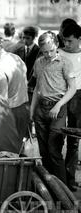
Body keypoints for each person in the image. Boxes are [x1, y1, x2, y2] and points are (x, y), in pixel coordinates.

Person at [30, 31, 76, 183]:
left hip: (58, 109)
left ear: (56, 45)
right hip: (41, 110)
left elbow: (72, 89)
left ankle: (62, 191)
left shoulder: (65, 63)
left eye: (51, 50)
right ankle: (49, 187)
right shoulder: (38, 63)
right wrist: (32, 112)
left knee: (54, 149)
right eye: (44, 52)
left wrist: (58, 105)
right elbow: (37, 88)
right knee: (43, 151)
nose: (48, 54)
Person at [58, 23, 81, 191]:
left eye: (70, 41)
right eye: (64, 40)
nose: (67, 44)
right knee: (57, 136)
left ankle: (70, 179)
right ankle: (58, 178)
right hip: (59, 95)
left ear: (79, 39)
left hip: (78, 97)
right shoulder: (58, 53)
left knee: (74, 140)